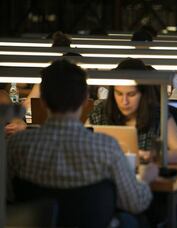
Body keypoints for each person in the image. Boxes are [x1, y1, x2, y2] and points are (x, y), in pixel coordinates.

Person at [7, 59, 158, 219]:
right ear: (86, 100)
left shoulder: (16, 145)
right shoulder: (106, 147)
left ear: (42, 101)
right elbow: (134, 204)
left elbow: (7, 197)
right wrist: (146, 179)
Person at [88, 58, 177, 164]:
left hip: (146, 177)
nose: (124, 101)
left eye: (131, 94)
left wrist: (151, 155)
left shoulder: (158, 115)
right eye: (119, 94)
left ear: (143, 94)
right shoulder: (99, 112)